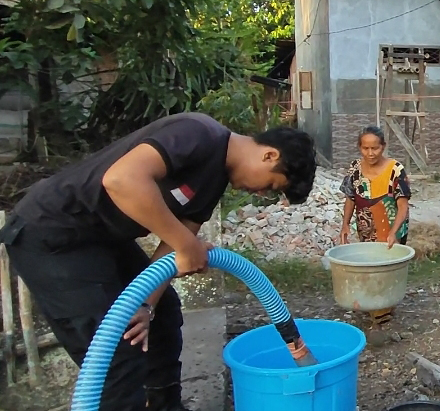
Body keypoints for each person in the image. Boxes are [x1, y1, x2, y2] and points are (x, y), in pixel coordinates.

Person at [0, 113, 316, 411]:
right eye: (271, 186)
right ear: (270, 156)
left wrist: (147, 305)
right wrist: (185, 243)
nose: (261, 193)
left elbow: (172, 249)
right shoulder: (199, 134)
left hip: (102, 239)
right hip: (53, 232)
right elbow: (122, 180)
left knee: (162, 316)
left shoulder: (214, 181)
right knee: (116, 352)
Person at [339, 126, 410, 325]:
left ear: (383, 147)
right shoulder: (355, 168)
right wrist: (345, 224)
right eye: (365, 148)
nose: (370, 153)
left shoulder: (395, 169)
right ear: (359, 147)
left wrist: (394, 232)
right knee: (370, 264)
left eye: (375, 148)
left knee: (386, 266)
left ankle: (382, 311)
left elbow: (403, 206)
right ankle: (378, 305)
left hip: (391, 224)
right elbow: (350, 199)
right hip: (365, 226)